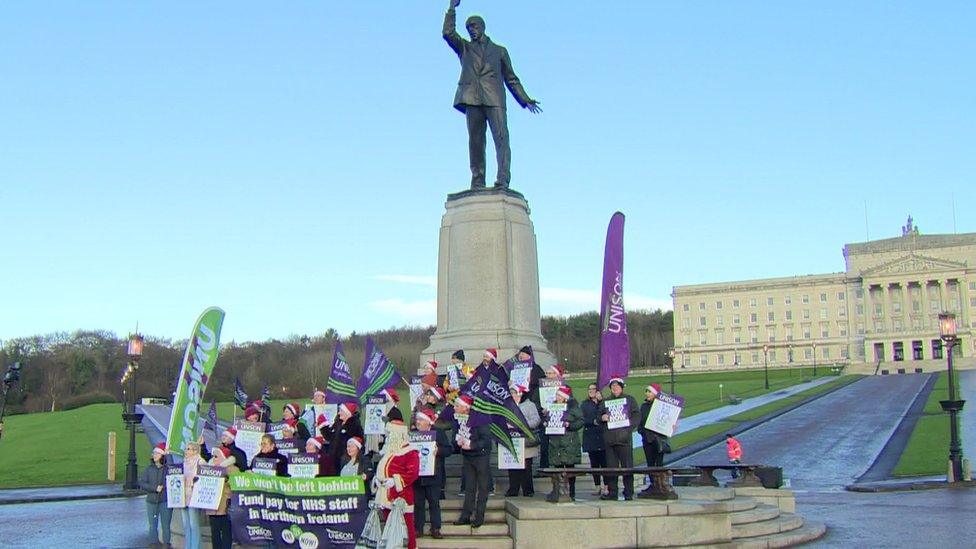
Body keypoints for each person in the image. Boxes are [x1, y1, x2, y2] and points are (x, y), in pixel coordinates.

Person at [442, 0, 542, 189]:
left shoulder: (499, 51)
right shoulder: (465, 48)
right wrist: (451, 8)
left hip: (494, 99)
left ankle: (503, 179)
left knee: (502, 138)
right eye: (468, 27)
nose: (471, 30)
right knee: (476, 142)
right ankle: (477, 180)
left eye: (474, 26)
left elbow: (511, 78)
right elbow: (448, 33)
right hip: (472, 98)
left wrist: (525, 98)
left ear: (482, 27)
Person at [375, 420, 421, 549]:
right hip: (386, 494)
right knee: (389, 525)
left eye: (389, 434)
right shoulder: (390, 450)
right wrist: (378, 479)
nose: (387, 437)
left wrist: (395, 481)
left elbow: (413, 473)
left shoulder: (410, 451)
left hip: (401, 495)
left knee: (406, 526)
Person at [452, 395, 492, 528]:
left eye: (457, 406)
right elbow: (455, 436)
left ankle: (479, 516)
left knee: (482, 487)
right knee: (469, 487)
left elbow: (486, 440)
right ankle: (466, 515)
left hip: (480, 456)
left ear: (465, 407)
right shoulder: (458, 419)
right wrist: (457, 442)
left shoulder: (480, 419)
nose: (455, 408)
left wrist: (472, 444)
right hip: (467, 456)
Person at [597, 377, 640, 501]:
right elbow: (598, 417)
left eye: (617, 386)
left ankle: (628, 492)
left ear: (621, 387)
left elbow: (637, 415)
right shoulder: (605, 402)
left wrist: (628, 427)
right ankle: (612, 492)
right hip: (610, 439)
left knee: (627, 467)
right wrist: (602, 418)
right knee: (611, 468)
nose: (615, 388)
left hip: (624, 438)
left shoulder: (629, 400)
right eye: (612, 387)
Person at [413, 408, 451, 539]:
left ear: (428, 422)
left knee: (434, 503)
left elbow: (448, 450)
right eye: (417, 419)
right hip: (418, 476)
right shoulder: (414, 434)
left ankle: (436, 528)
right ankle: (418, 528)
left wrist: (438, 450)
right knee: (418, 504)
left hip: (433, 475)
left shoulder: (438, 433)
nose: (418, 422)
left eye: (421, 420)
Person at [545, 385, 584, 501]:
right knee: (557, 468)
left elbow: (581, 421)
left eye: (560, 395)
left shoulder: (573, 408)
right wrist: (546, 423)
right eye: (557, 395)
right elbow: (547, 420)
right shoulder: (552, 407)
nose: (558, 397)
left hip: (569, 441)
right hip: (555, 442)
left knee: (569, 468)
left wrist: (570, 425)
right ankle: (556, 490)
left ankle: (571, 492)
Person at [505, 387, 540, 497]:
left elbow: (536, 420)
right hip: (512, 439)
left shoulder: (529, 405)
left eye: (514, 392)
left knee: (526, 468)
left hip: (525, 440)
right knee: (512, 467)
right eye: (511, 393)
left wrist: (521, 424)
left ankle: (528, 490)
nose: (512, 395)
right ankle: (513, 489)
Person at [140, 442, 173, 548]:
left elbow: (173, 470)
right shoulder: (149, 469)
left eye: (157, 453)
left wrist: (169, 455)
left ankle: (166, 544)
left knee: (166, 525)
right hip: (151, 501)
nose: (154, 455)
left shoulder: (167, 469)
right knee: (152, 525)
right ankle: (153, 543)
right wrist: (154, 488)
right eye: (153, 453)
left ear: (162, 456)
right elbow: (142, 483)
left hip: (164, 500)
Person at [206, 446, 239, 549]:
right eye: (213, 456)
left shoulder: (233, 469)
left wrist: (226, 480)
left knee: (226, 531)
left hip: (225, 505)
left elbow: (237, 484)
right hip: (212, 505)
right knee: (214, 532)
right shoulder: (209, 469)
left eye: (216, 456)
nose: (213, 458)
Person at [638, 384, 667, 497]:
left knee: (659, 463)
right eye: (646, 391)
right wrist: (642, 431)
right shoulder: (644, 406)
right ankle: (653, 484)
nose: (647, 394)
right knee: (650, 463)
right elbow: (641, 421)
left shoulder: (662, 406)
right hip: (647, 439)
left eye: (649, 392)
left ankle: (660, 484)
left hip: (659, 439)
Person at [580, 382, 607, 496]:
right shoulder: (585, 404)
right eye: (589, 389)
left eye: (593, 389)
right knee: (594, 463)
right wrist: (593, 421)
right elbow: (582, 418)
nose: (591, 391)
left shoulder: (603, 403)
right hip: (590, 435)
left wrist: (600, 402)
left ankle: (606, 485)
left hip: (602, 436)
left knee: (604, 463)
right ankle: (597, 486)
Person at [323, 402, 364, 472]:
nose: (339, 413)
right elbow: (330, 437)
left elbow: (358, 442)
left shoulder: (354, 425)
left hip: (346, 459)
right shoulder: (338, 423)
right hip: (334, 458)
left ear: (347, 412)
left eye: (341, 411)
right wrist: (323, 427)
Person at [180, 442, 204, 549]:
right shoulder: (184, 462)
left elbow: (204, 478)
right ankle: (188, 546)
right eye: (186, 449)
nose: (186, 451)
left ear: (195, 451)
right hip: (183, 496)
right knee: (186, 525)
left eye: (188, 449)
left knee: (194, 524)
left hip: (194, 496)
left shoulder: (200, 462)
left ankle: (195, 547)